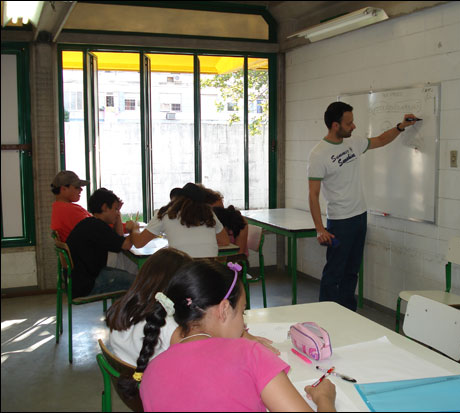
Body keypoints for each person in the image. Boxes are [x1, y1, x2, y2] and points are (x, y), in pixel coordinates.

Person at [119, 259, 336, 412]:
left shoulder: (151, 372)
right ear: (223, 310)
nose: (243, 322)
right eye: (242, 312)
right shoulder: (250, 353)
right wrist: (325, 400)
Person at [308, 101, 418, 311]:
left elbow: (381, 140)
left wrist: (400, 127)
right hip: (339, 221)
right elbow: (313, 195)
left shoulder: (354, 142)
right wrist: (320, 228)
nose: (354, 126)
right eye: (349, 123)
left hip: (360, 217)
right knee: (334, 272)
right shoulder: (318, 154)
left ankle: (349, 313)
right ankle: (326, 316)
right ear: (335, 125)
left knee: (352, 272)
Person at [106, 248, 277, 365]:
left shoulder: (125, 307)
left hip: (133, 386)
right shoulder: (168, 326)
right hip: (162, 393)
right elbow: (204, 359)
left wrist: (242, 335)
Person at [66, 187, 137, 298]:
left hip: (79, 280)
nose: (116, 213)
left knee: (129, 274)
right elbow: (126, 245)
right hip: (87, 284)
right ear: (104, 207)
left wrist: (117, 216)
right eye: (115, 209)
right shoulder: (97, 227)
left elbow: (118, 239)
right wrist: (134, 228)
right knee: (139, 282)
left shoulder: (90, 223)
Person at [127, 182, 230, 258]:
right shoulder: (209, 214)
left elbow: (139, 243)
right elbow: (225, 241)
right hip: (209, 274)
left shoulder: (165, 213)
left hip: (181, 274)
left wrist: (134, 228)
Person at [200, 184, 250, 255]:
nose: (222, 213)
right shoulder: (201, 222)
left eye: (222, 209)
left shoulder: (239, 222)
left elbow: (239, 254)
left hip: (234, 263)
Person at [50, 170, 91, 242]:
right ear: (63, 189)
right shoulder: (70, 210)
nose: (81, 189)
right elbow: (99, 230)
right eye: (76, 187)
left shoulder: (57, 207)